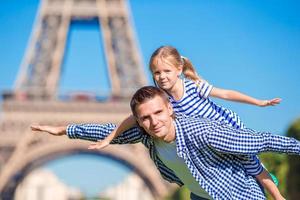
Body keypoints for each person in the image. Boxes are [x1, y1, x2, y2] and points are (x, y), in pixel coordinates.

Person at [31, 86, 300, 200]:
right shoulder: (145, 134)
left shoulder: (203, 131)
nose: (153, 122)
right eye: (145, 118)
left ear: (170, 108)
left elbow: (259, 141)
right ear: (137, 121)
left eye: (158, 112)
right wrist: (64, 129)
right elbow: (108, 130)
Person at [88, 46, 282, 198]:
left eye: (166, 71)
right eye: (157, 73)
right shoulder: (163, 100)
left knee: (252, 165)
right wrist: (109, 137)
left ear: (179, 69)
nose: (162, 76)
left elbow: (225, 93)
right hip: (201, 143)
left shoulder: (193, 86)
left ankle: (277, 195)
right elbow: (133, 118)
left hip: (223, 131)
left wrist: (259, 102)